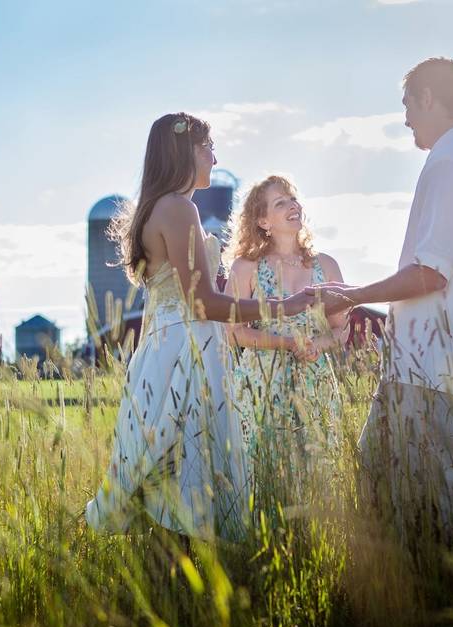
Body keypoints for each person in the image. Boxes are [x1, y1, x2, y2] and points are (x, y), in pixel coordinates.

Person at [85, 113, 315, 542]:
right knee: (186, 467)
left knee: (167, 466)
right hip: (184, 350)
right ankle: (181, 580)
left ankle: (173, 579)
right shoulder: (177, 208)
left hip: (171, 344)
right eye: (207, 146)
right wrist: (284, 306)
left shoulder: (162, 208)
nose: (214, 155)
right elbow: (204, 302)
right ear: (184, 152)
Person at [311, 58, 453, 553]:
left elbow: (430, 272)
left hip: (433, 368)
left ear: (427, 99)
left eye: (407, 105)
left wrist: (352, 296)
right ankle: (396, 592)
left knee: (441, 506)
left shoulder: (452, 165)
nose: (405, 119)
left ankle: (452, 605)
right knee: (375, 477)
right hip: (418, 367)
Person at [223, 175, 348, 504]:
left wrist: (319, 345)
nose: (293, 205)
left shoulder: (327, 266)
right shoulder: (246, 268)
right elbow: (234, 332)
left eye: (293, 199)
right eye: (281, 203)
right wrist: (286, 343)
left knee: (317, 476)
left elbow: (341, 329)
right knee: (262, 477)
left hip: (314, 382)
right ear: (263, 221)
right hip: (261, 383)